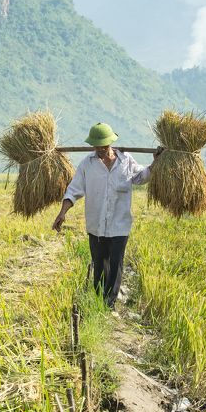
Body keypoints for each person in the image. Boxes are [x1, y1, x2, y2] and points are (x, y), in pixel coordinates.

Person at [51, 122, 163, 306]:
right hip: (96, 225)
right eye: (96, 146)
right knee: (99, 263)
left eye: (103, 145)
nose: (100, 149)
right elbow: (74, 190)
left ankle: (109, 303)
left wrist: (156, 162)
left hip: (120, 224)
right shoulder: (87, 164)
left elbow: (141, 177)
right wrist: (62, 212)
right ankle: (97, 299)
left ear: (110, 143)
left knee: (116, 263)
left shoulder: (125, 160)